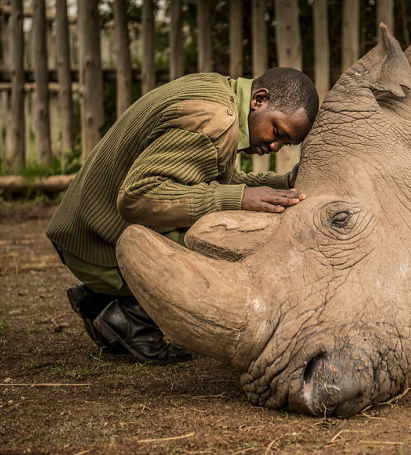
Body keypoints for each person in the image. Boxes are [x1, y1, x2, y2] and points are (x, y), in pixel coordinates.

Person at [46, 67, 319, 364]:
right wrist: (238, 199)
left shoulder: (219, 93)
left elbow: (214, 182)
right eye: (278, 132)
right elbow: (137, 197)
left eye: (285, 143)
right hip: (95, 245)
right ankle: (127, 312)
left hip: (84, 230)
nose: (275, 146)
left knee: (230, 212)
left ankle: (105, 299)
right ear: (259, 100)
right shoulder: (215, 122)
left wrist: (282, 184)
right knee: (227, 241)